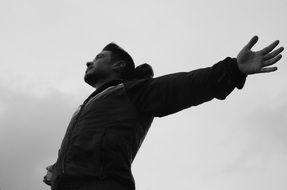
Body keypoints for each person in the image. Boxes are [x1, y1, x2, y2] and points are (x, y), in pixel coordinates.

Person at [43, 36, 284, 190]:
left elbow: (184, 86)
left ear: (119, 66)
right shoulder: (88, 106)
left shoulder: (130, 91)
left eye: (99, 57)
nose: (89, 62)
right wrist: (59, 168)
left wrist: (233, 69)